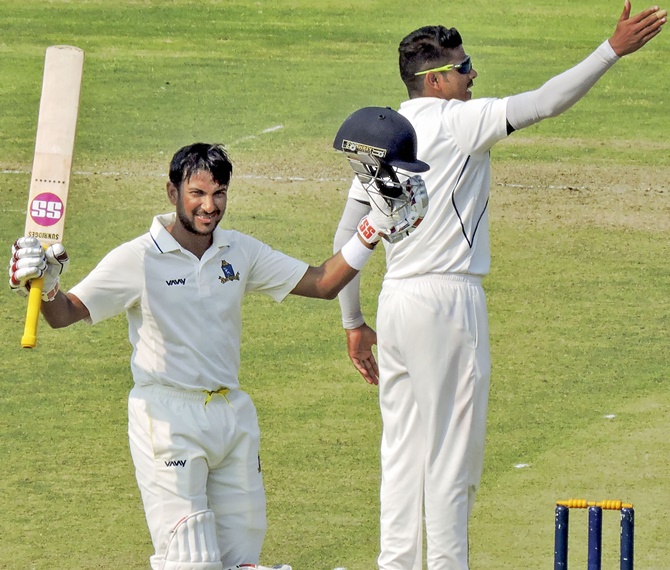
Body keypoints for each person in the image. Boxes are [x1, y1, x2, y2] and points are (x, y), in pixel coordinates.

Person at [332, 3, 665, 569]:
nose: (473, 76)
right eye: (465, 67)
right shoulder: (459, 120)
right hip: (448, 302)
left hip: (397, 303)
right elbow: (545, 102)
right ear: (435, 80)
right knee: (451, 462)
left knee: (402, 456)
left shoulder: (383, 135)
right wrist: (611, 50)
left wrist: (353, 322)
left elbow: (347, 233)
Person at [8, 127, 427, 569]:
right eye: (197, 193)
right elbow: (67, 313)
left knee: (240, 559)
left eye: (219, 193)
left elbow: (322, 283)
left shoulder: (238, 251)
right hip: (168, 420)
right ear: (172, 192)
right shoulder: (138, 258)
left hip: (232, 418)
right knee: (190, 559)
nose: (209, 206)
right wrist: (47, 287)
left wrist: (370, 230)